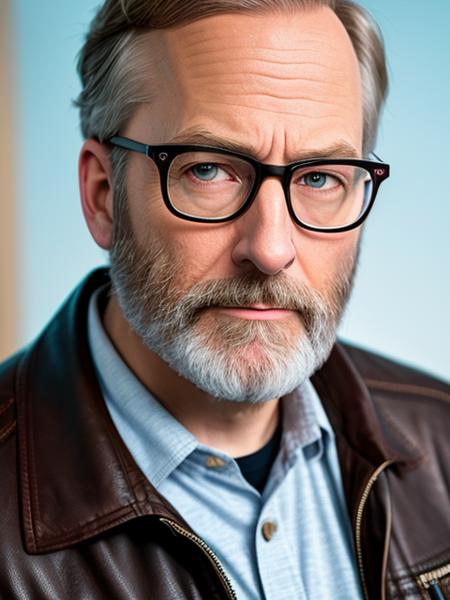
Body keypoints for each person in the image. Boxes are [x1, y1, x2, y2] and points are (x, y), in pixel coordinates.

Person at [0, 0, 449, 598]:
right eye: (209, 170)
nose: (270, 249)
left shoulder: (443, 438)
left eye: (319, 178)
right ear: (104, 194)